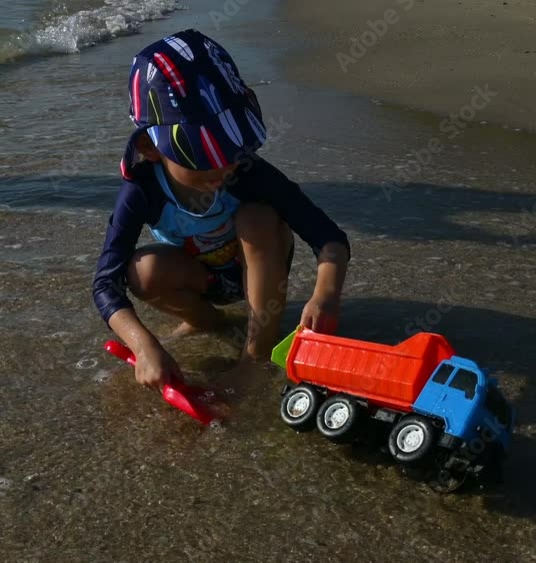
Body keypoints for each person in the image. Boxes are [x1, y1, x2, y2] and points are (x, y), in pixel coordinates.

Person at [92, 29, 350, 388]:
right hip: (203, 280)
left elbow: (329, 239)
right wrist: (142, 343)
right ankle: (207, 322)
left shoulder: (247, 171)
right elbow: (106, 283)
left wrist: (325, 296)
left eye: (229, 148)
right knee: (142, 271)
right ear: (150, 149)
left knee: (257, 218)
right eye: (201, 155)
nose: (223, 167)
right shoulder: (141, 190)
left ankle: (256, 356)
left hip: (259, 266)